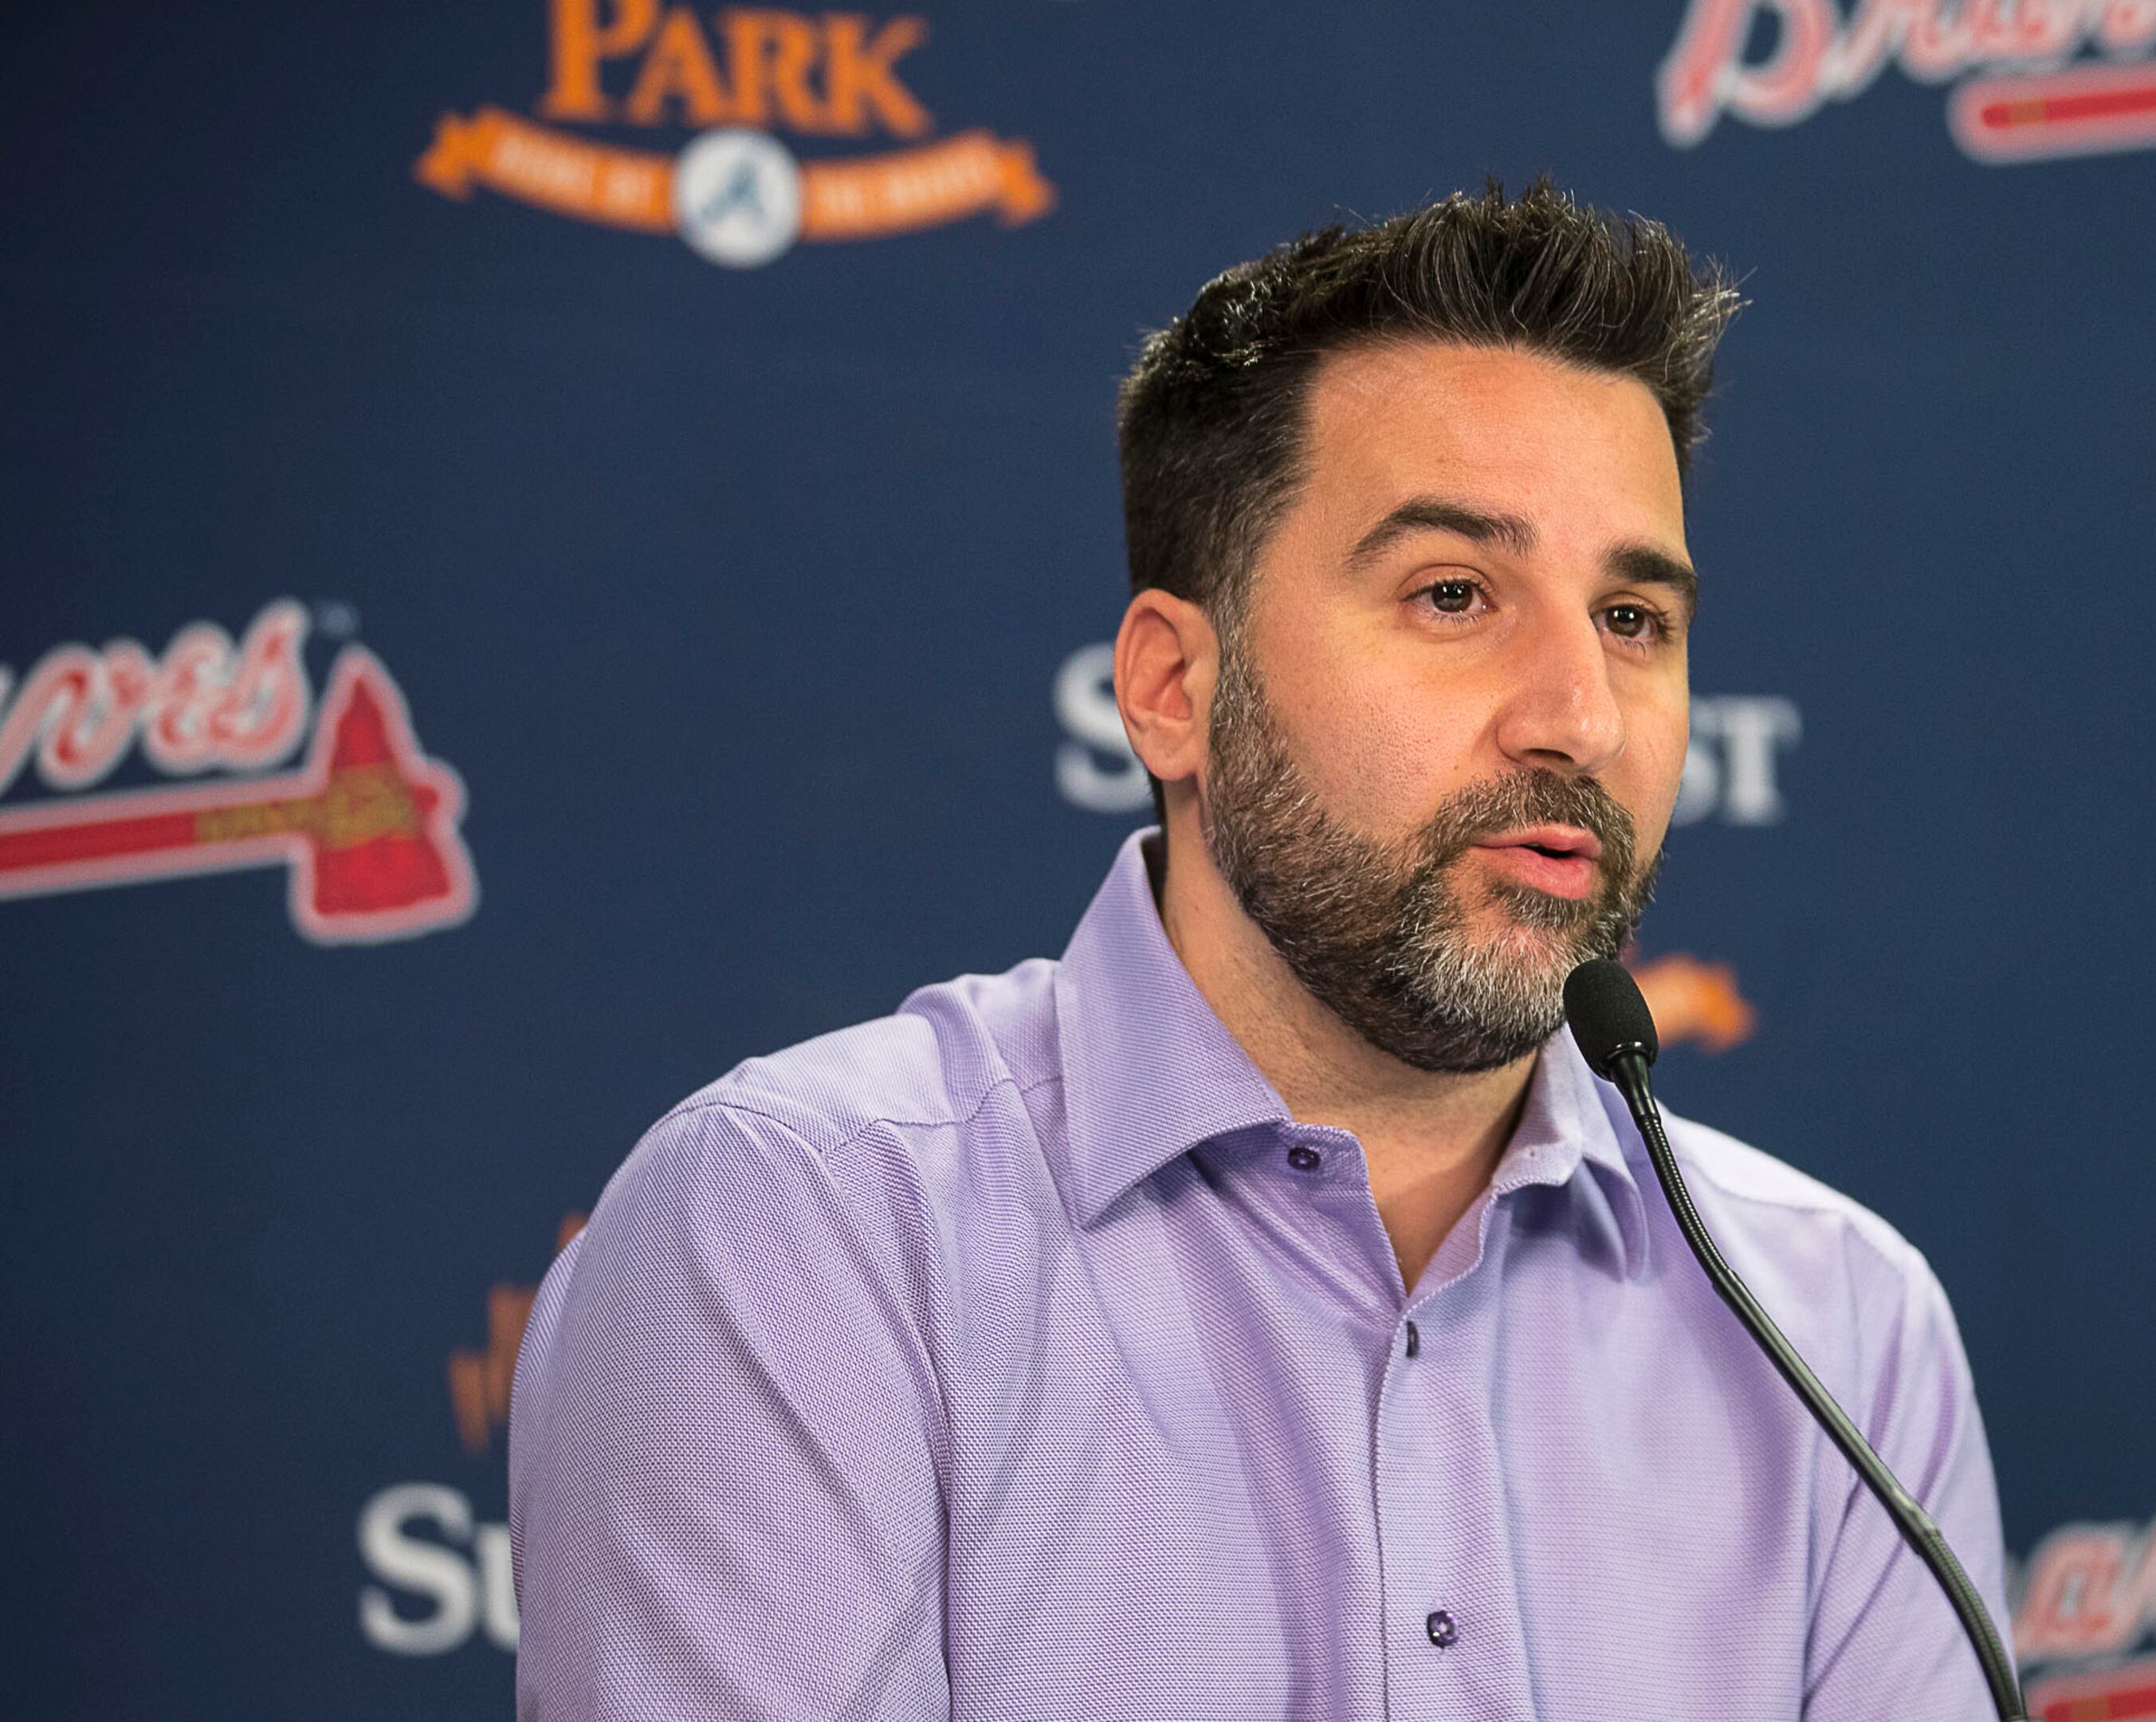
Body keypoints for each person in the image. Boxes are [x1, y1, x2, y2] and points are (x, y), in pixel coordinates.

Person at [509, 179, 2009, 1720]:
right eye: (1452, 594)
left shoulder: (1840, 1328)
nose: (1579, 714)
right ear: (1170, 688)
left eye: (1634, 619)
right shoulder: (810, 1234)